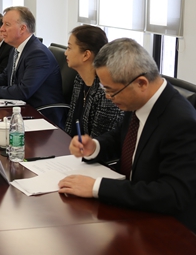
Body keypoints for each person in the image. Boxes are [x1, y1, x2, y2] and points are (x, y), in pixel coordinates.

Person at [58, 38, 196, 232]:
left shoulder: (181, 122)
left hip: (166, 227)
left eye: (111, 91)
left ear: (141, 83)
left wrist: (97, 187)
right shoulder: (140, 99)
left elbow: (173, 193)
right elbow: (123, 136)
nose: (108, 97)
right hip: (131, 210)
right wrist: (95, 147)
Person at [0, 6, 64, 126]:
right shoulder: (16, 48)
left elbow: (23, 91)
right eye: (2, 24)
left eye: (7, 24)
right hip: (21, 109)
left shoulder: (38, 53)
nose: (2, 29)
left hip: (41, 116)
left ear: (23, 28)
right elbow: (6, 76)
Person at [63, 25, 125, 138]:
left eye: (69, 48)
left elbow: (99, 141)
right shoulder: (79, 79)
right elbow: (71, 123)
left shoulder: (105, 92)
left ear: (86, 55)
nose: (65, 53)